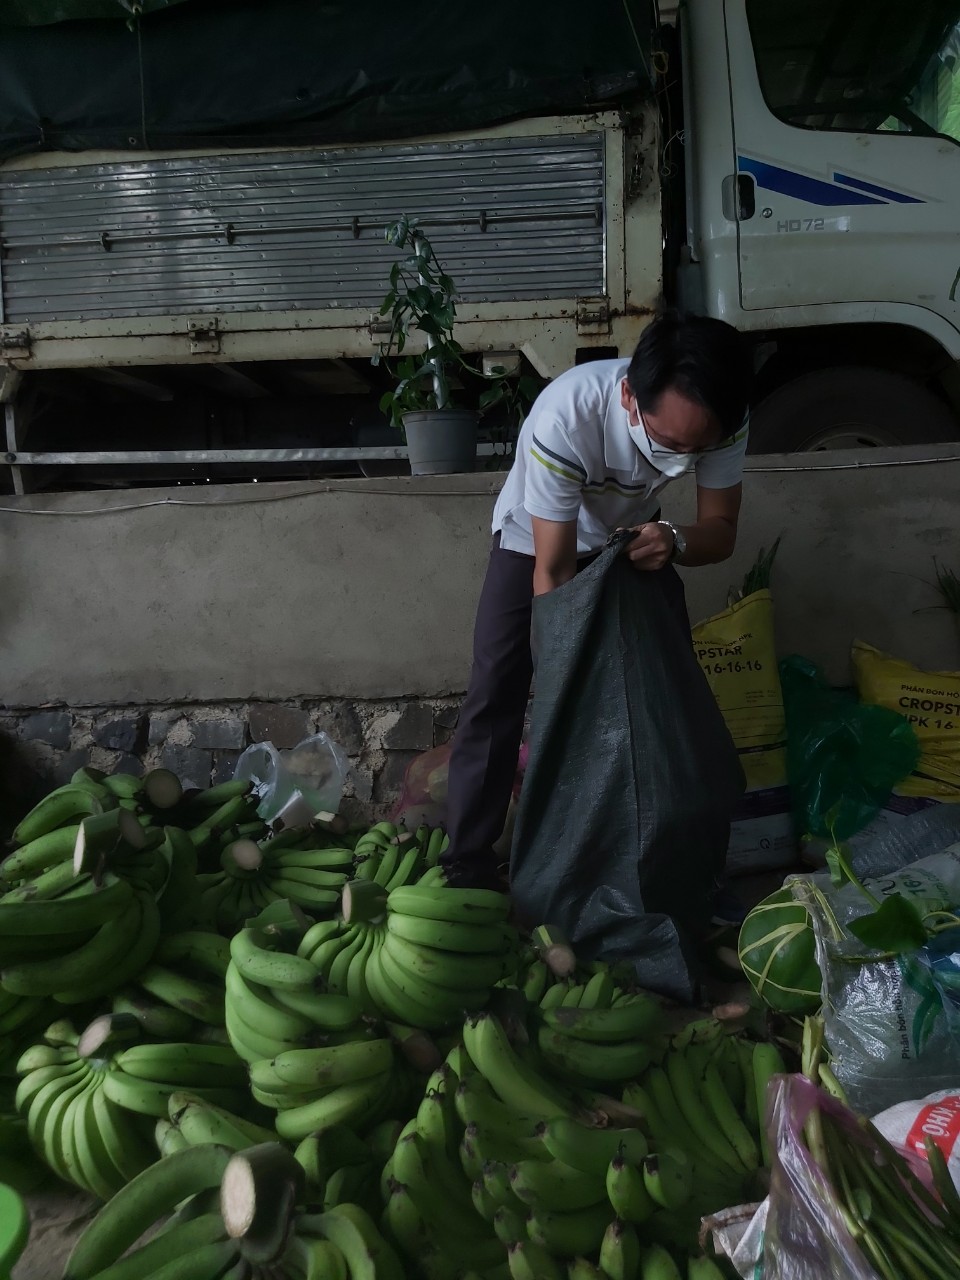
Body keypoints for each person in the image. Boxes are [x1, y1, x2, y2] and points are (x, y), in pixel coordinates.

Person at [439, 309, 753, 900]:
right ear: (630, 397)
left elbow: (722, 531)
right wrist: (559, 677)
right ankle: (469, 863)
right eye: (669, 443)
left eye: (699, 448)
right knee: (499, 689)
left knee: (662, 698)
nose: (683, 461)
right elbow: (553, 570)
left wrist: (678, 540)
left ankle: (659, 864)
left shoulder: (724, 416)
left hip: (633, 545)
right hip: (535, 545)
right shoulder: (567, 416)